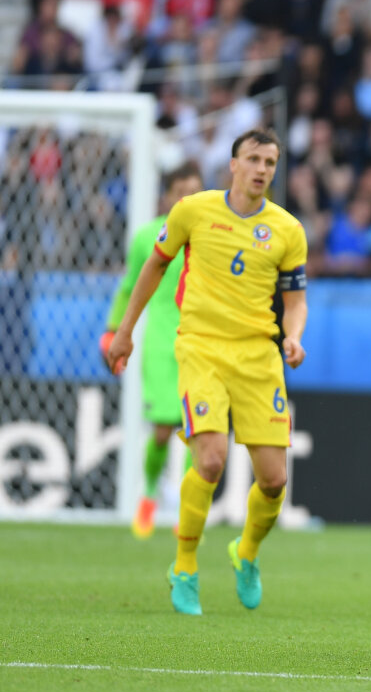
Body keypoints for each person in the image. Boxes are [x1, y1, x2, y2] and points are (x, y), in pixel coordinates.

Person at [106, 129, 309, 616]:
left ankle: (246, 552)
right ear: (233, 164)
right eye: (254, 159)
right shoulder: (193, 210)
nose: (262, 169)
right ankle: (185, 566)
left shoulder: (287, 229)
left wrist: (294, 335)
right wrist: (124, 331)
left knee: (274, 480)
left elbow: (296, 299)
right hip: (201, 347)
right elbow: (153, 268)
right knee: (211, 460)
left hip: (258, 356)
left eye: (270, 162)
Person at [100, 162, 203, 538]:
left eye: (194, 192)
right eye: (181, 192)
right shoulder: (148, 236)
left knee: (197, 429)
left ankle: (188, 510)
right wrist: (114, 329)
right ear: (168, 196)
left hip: (201, 341)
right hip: (160, 342)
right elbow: (130, 286)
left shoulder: (212, 235)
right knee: (162, 430)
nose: (187, 199)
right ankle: (148, 493)